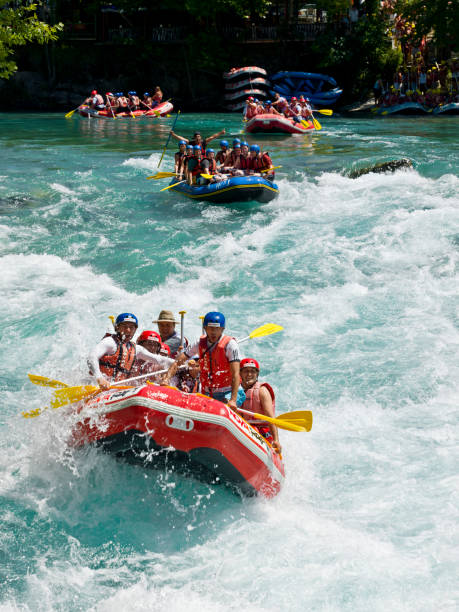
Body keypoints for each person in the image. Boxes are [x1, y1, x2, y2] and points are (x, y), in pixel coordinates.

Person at [164, 311, 243, 410]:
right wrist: (166, 379)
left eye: (217, 329)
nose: (213, 332)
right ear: (205, 328)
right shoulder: (199, 343)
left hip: (229, 391)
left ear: (222, 329)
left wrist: (233, 400)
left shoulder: (230, 345)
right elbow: (178, 361)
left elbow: (235, 373)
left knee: (221, 408)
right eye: (210, 328)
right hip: (208, 392)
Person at [88, 313, 172, 390]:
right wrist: (99, 378)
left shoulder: (136, 349)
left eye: (131, 327)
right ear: (117, 328)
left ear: (135, 330)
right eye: (124, 326)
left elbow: (159, 360)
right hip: (98, 386)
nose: (128, 330)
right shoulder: (110, 342)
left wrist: (178, 362)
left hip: (116, 389)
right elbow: (92, 357)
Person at [238, 358, 281, 454]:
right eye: (246, 371)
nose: (249, 374)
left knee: (253, 430)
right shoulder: (235, 391)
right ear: (240, 373)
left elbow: (271, 417)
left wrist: (276, 440)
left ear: (257, 374)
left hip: (262, 432)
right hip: (242, 429)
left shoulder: (262, 391)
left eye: (252, 371)